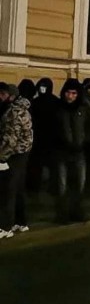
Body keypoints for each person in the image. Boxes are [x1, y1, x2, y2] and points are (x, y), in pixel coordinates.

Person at [0, 83, 33, 238]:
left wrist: (1, 157)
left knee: (8, 190)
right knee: (18, 189)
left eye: (2, 94)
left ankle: (5, 227)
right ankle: (21, 222)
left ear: (10, 95)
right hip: (23, 153)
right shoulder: (23, 109)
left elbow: (10, 139)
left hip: (14, 154)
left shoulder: (13, 112)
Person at [54, 79, 87, 223]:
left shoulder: (82, 109)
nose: (70, 96)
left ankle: (77, 212)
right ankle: (62, 215)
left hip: (79, 152)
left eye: (74, 93)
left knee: (79, 184)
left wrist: (84, 142)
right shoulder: (58, 108)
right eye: (68, 92)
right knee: (62, 185)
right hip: (62, 151)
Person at [30, 77, 58, 194]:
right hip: (38, 138)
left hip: (50, 138)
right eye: (41, 86)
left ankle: (50, 187)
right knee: (37, 165)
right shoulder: (35, 102)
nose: (42, 89)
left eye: (44, 86)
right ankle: (35, 187)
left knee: (51, 164)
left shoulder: (54, 102)